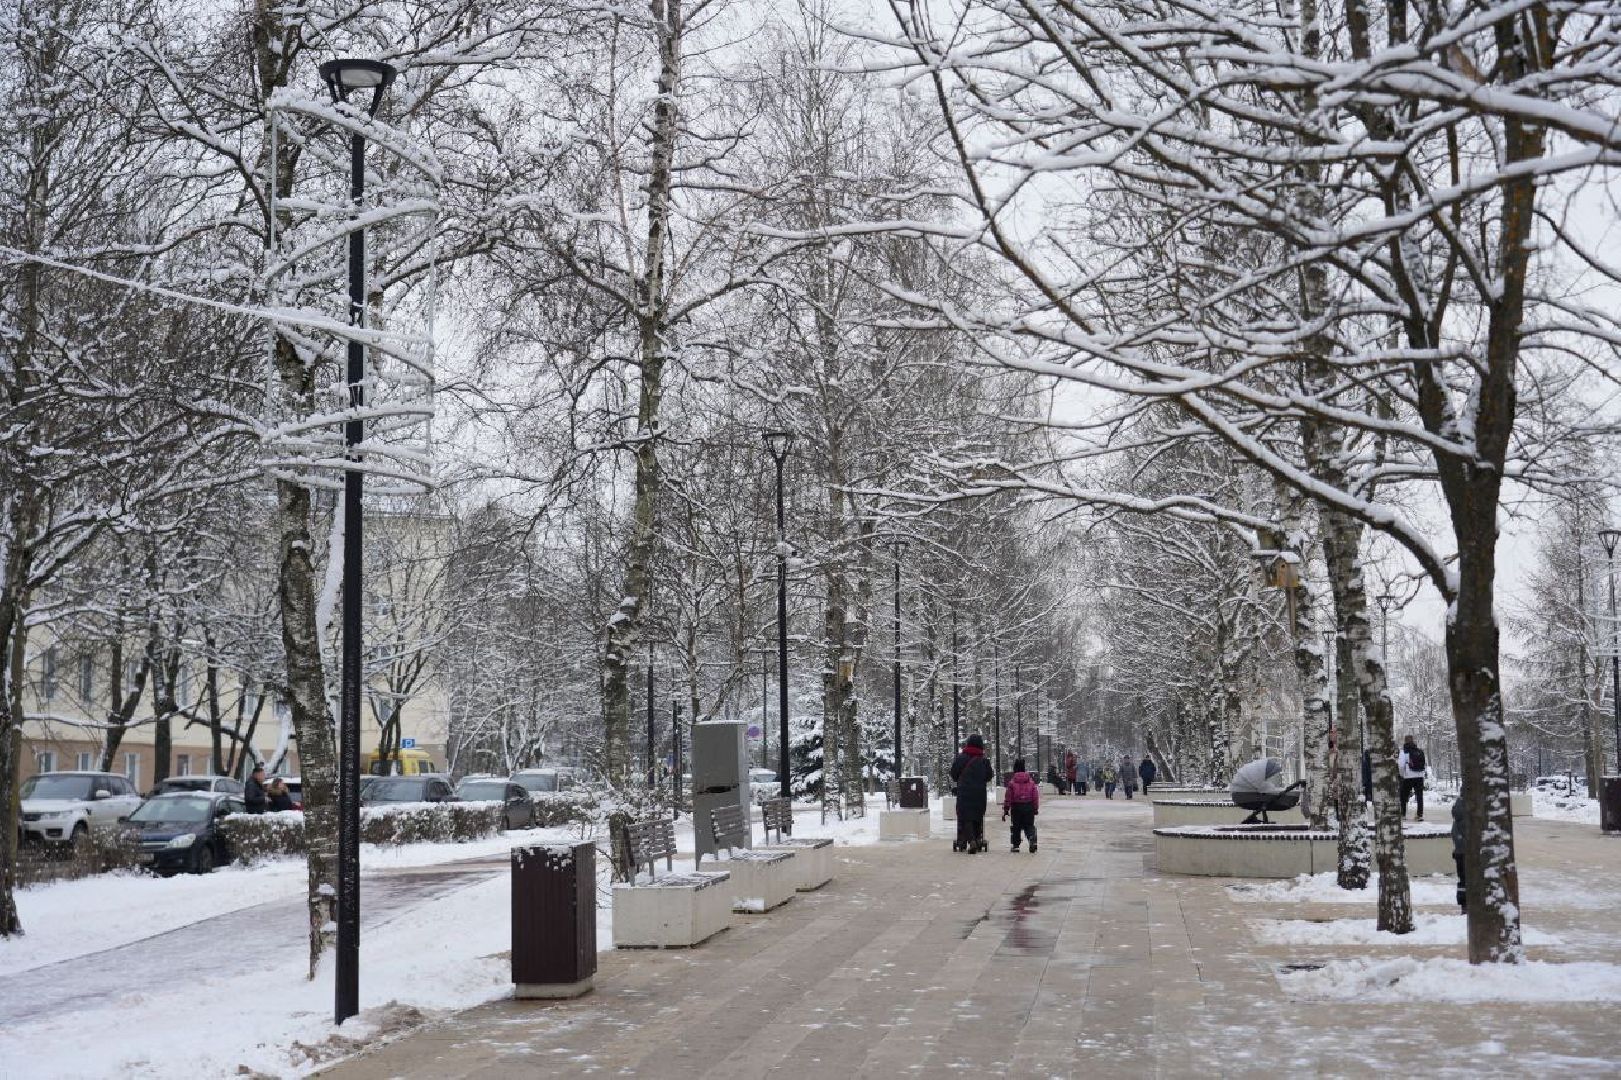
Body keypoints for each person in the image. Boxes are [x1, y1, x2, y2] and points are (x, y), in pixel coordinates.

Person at [950, 733, 995, 853]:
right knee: (977, 816)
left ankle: (970, 840)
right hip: (979, 793)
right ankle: (977, 838)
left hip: (964, 792)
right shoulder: (984, 761)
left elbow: (954, 774)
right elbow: (989, 775)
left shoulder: (961, 758)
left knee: (965, 817)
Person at [1002, 757, 1040, 853]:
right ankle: (1031, 838)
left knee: (1016, 826)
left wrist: (1006, 808)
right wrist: (1035, 808)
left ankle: (1016, 845)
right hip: (1029, 806)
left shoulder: (1012, 782)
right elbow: (1035, 796)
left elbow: (1008, 797)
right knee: (1029, 825)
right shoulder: (1031, 782)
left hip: (1016, 807)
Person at [1398, 735, 1428, 820]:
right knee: (1419, 796)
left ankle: (1403, 814)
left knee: (1404, 795)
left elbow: (1401, 765)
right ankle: (1419, 815)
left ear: (1405, 741)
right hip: (1419, 776)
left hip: (1408, 776)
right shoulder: (1419, 751)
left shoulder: (1404, 752)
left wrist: (1402, 775)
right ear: (1413, 741)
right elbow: (1424, 764)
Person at [1451, 791, 1469, 913]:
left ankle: (1464, 905)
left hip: (1460, 853)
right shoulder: (1473, 811)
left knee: (1463, 879)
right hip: (1471, 852)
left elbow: (1454, 835)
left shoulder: (1457, 815)